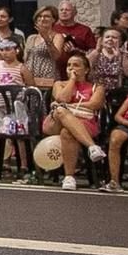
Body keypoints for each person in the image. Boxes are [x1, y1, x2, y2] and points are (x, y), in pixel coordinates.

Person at [43, 52, 107, 190]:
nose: (71, 68)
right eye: (69, 65)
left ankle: (69, 178)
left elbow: (94, 104)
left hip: (86, 123)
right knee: (60, 111)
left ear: (86, 70)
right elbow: (62, 99)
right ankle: (92, 147)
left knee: (67, 132)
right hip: (55, 123)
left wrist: (68, 106)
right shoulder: (59, 84)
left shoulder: (97, 87)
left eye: (76, 65)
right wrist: (72, 80)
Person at [23, 6, 70, 90]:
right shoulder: (31, 38)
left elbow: (56, 56)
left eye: (46, 16)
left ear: (53, 20)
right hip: (29, 79)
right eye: (40, 16)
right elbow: (25, 58)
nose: (42, 19)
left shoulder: (57, 36)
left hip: (47, 78)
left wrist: (47, 39)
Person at [88, 27, 128, 109]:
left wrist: (120, 57)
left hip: (117, 95)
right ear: (102, 40)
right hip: (95, 93)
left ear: (121, 42)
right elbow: (84, 67)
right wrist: (97, 51)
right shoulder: (93, 53)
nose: (110, 39)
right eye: (107, 37)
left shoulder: (127, 55)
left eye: (114, 37)